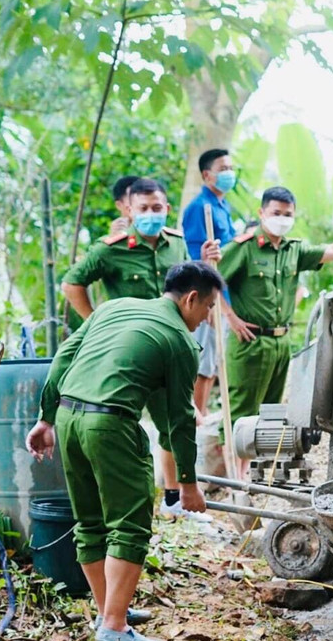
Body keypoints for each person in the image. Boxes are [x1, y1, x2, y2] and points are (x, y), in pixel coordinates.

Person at [27, 261, 225, 641]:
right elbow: (179, 421)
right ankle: (115, 626)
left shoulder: (114, 308)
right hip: (110, 425)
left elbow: (64, 357)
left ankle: (108, 612)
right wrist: (188, 485)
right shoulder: (180, 342)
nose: (207, 318)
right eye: (208, 308)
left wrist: (46, 418)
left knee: (90, 522)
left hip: (68, 417)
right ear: (190, 299)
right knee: (130, 525)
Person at [61, 177, 220, 519]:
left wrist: (206, 263)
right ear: (129, 210)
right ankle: (116, 502)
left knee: (174, 422)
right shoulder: (111, 248)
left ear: (167, 208)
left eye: (157, 207)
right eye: (143, 208)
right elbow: (72, 283)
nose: (151, 213)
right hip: (126, 354)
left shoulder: (176, 244)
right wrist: (96, 322)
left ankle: (174, 498)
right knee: (115, 420)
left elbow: (190, 290)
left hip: (166, 349)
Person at [217, 186, 333, 474]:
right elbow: (209, 278)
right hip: (249, 341)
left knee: (270, 412)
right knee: (241, 412)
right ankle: (236, 478)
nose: (282, 219)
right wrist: (230, 317)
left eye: (288, 214)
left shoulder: (293, 251)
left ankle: (256, 475)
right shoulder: (243, 248)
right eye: (276, 213)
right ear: (262, 213)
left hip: (280, 342)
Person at [181, 148, 247, 420]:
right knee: (204, 362)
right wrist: (208, 303)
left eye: (231, 168)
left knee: (213, 362)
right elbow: (196, 260)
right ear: (207, 175)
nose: (229, 173)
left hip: (224, 294)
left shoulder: (223, 206)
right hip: (208, 296)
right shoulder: (199, 208)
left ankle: (203, 413)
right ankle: (195, 418)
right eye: (223, 169)